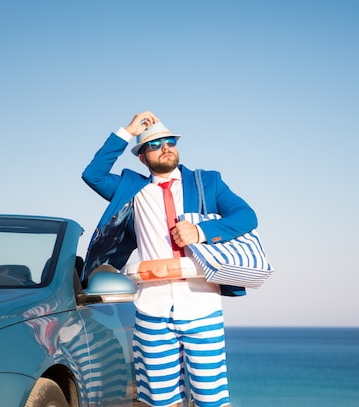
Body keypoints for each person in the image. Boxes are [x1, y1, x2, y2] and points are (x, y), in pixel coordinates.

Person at [81, 111, 258, 407]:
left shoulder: (207, 183)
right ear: (141, 157)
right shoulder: (131, 189)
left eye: (170, 141)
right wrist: (129, 130)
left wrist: (201, 231)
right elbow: (93, 174)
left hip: (202, 305)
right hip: (151, 307)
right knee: (160, 401)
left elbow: (246, 217)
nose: (165, 147)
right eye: (154, 144)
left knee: (211, 399)